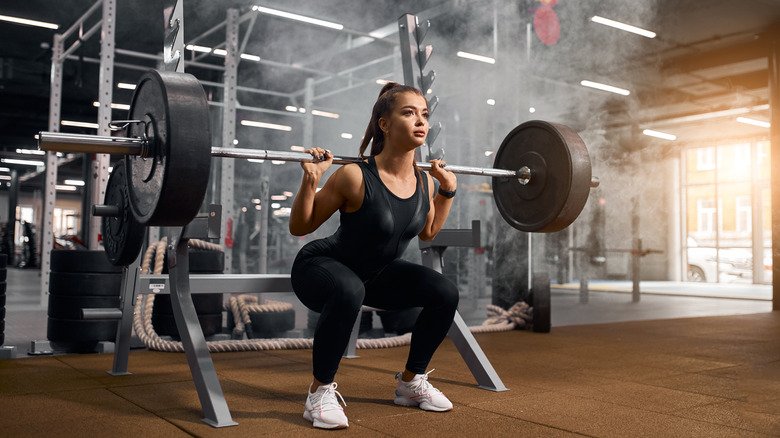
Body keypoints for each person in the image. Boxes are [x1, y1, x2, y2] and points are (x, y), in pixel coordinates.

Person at [289, 82, 459, 429]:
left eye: (424, 114)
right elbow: (300, 226)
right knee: (350, 289)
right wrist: (311, 181)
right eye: (409, 112)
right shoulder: (354, 175)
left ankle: (411, 382)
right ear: (384, 124)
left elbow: (428, 232)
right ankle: (318, 393)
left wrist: (448, 190)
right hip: (321, 267)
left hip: (374, 275)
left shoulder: (424, 182)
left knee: (445, 292)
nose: (420, 121)